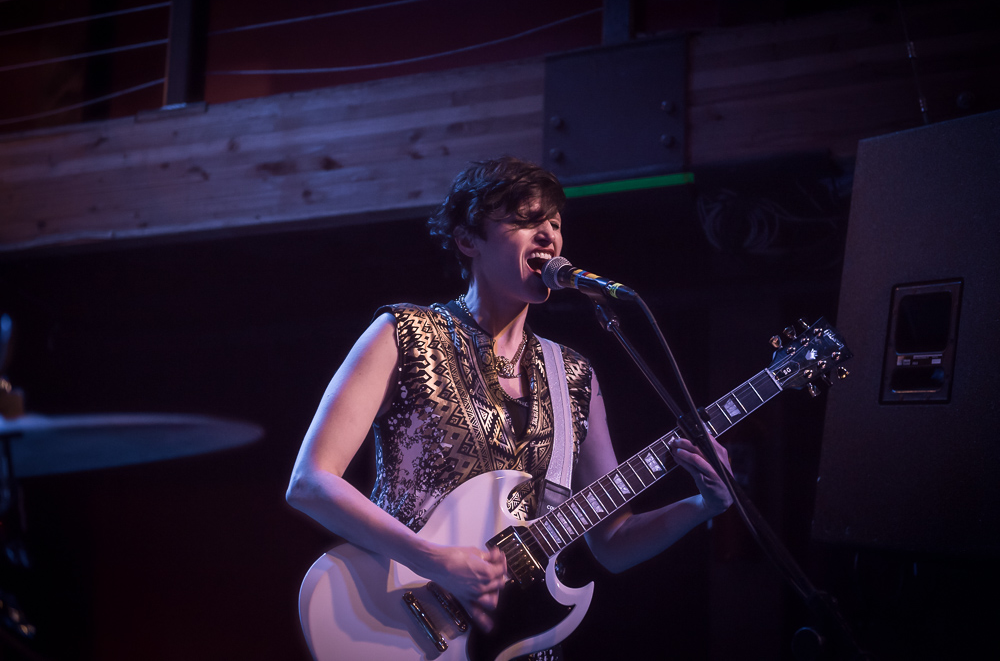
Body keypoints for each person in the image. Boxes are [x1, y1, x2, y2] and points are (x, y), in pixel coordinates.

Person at [286, 156, 732, 657]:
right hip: (398, 619)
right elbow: (310, 483)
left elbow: (613, 540)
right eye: (524, 219)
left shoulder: (574, 376)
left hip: (522, 644)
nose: (547, 235)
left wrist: (702, 506)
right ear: (467, 240)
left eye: (555, 224)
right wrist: (433, 559)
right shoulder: (404, 335)